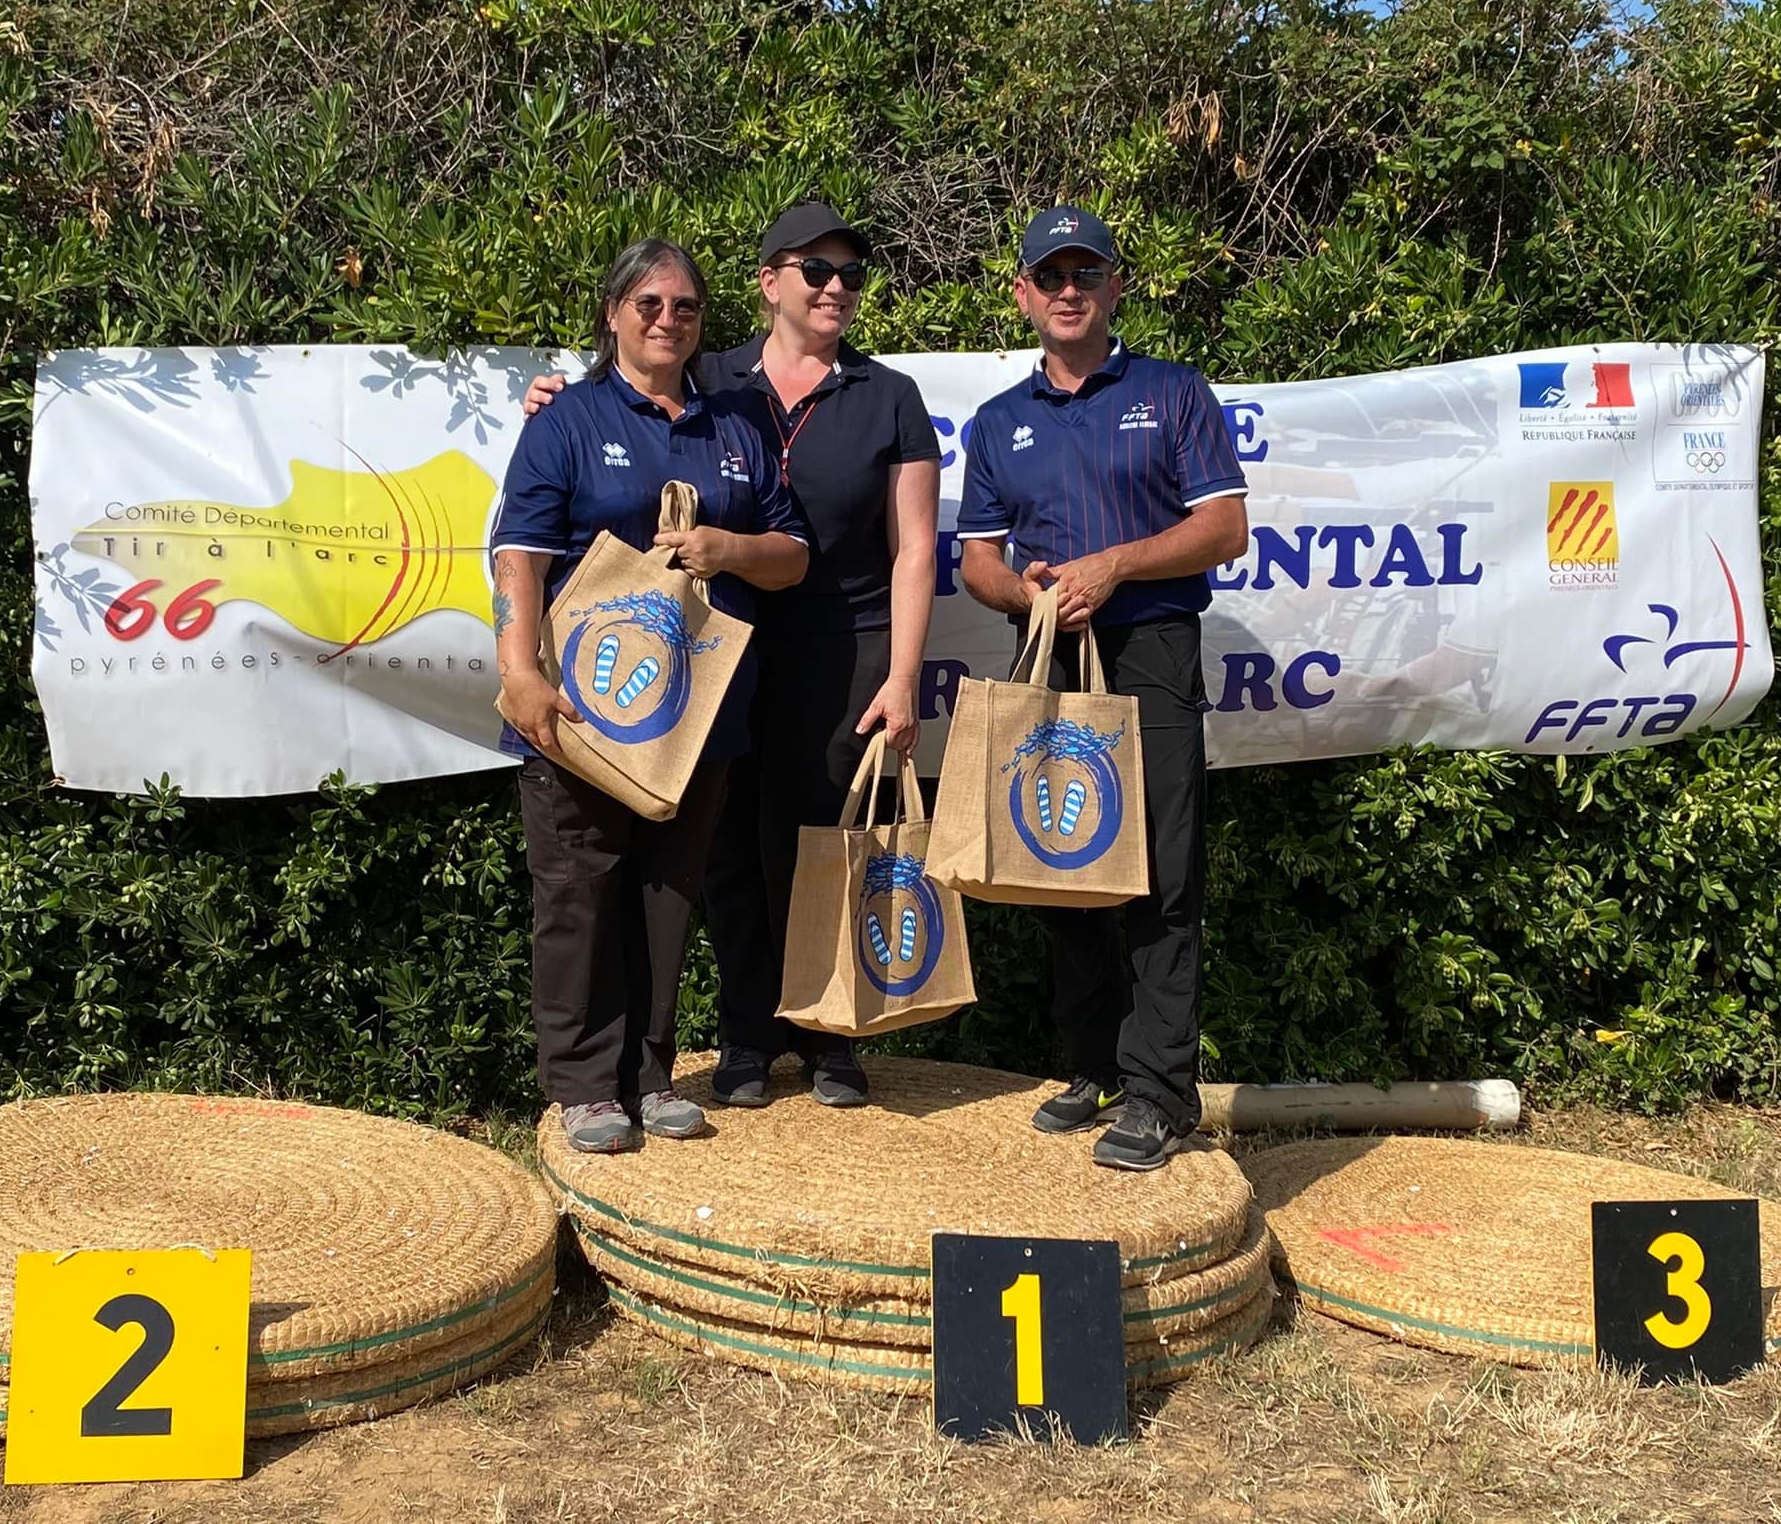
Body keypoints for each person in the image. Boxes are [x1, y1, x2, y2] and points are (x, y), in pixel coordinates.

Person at [525, 203, 941, 1110]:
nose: (835, 287)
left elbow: (915, 549)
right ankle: (749, 1034)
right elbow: (620, 390)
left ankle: (830, 1037)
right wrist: (550, 397)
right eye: (816, 271)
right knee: (719, 857)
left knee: (824, 843)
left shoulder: (887, 395)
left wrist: (904, 674)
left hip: (838, 645)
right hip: (705, 653)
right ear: (770, 281)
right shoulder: (713, 374)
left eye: (849, 275)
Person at [494, 238, 809, 1154]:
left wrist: (729, 549)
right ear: (614, 314)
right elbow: (520, 555)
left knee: (667, 896)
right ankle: (585, 1085)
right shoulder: (567, 420)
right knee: (579, 894)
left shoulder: (737, 427)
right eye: (649, 304)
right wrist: (520, 673)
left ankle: (648, 1075)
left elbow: (791, 555)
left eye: (686, 307)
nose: (668, 320)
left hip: (694, 717)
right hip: (580, 710)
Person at [955, 207, 1249, 1171]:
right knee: (1061, 862)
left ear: (1116, 286)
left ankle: (1160, 1092)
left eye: (1087, 273)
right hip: (1048, 652)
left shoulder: (1173, 391)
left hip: (1151, 647)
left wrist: (1116, 564)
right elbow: (979, 562)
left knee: (1162, 872)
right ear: (1024, 295)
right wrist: (1024, 592)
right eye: (1052, 275)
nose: (1070, 290)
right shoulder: (998, 422)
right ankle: (1094, 1066)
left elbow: (1224, 529)